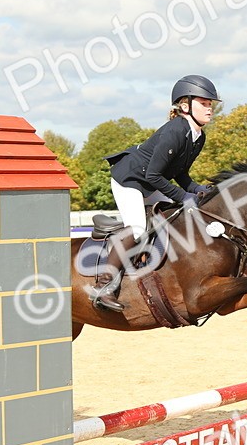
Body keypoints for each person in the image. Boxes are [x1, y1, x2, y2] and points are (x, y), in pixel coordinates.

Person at [90, 75, 220, 311]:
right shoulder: (175, 132)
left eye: (211, 104)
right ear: (185, 106)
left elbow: (180, 174)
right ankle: (104, 285)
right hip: (129, 180)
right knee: (138, 228)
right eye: (204, 103)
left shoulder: (198, 137)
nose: (210, 108)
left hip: (151, 183)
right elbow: (153, 176)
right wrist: (183, 196)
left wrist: (196, 189)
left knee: (177, 215)